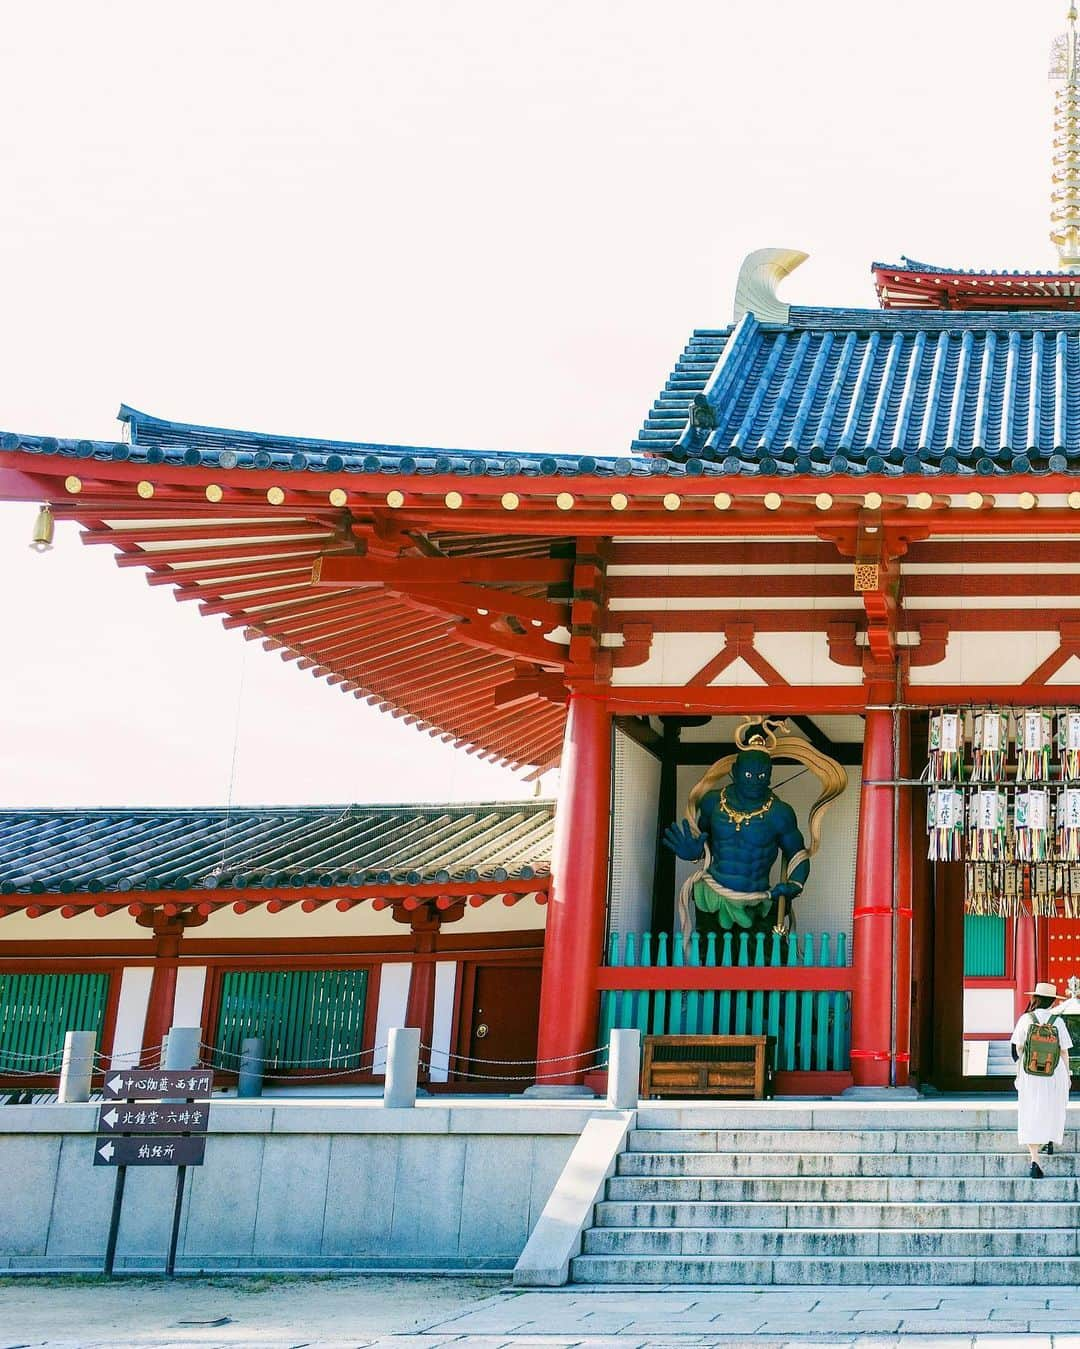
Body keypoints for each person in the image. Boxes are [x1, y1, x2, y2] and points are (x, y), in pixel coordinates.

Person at [1010, 981, 1072, 1178]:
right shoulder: (1058, 1022)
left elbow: (1017, 1049)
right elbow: (1064, 1052)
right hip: (1054, 1072)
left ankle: (1035, 1159)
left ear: (1035, 998)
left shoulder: (1026, 1019)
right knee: (1052, 1108)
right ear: (1053, 1002)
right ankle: (1050, 1140)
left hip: (1031, 1072)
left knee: (1031, 1110)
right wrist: (1068, 1075)